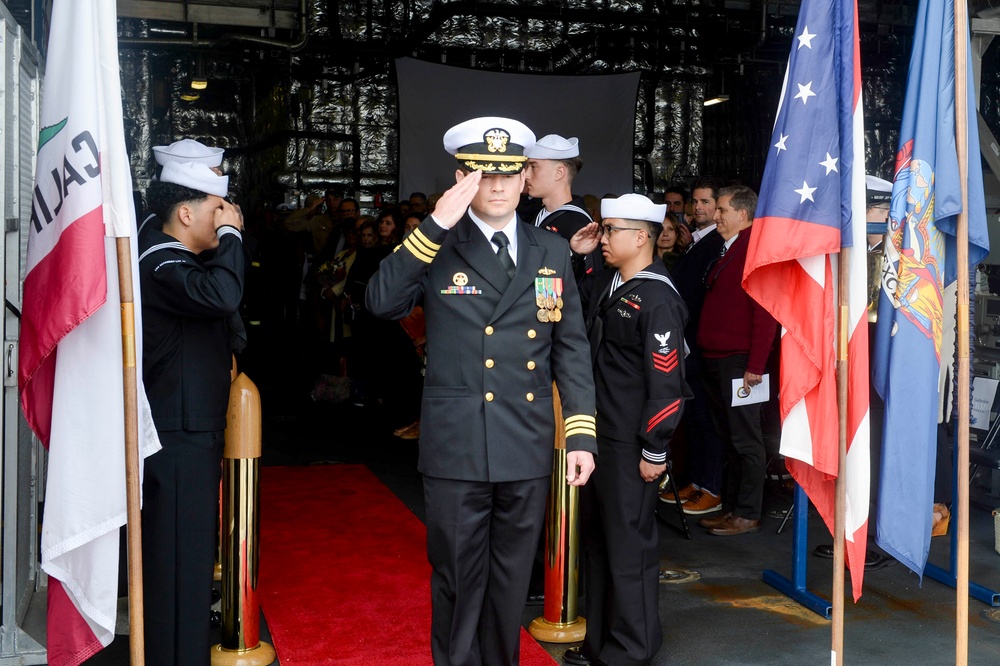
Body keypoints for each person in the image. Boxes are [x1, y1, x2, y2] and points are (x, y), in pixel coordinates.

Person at [366, 116, 597, 665]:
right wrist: (433, 224)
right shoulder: (438, 243)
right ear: (461, 177)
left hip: (526, 439)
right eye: (481, 173)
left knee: (513, 576)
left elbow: (571, 347)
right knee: (457, 575)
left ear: (524, 178)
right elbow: (381, 303)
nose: (495, 186)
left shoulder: (550, 249)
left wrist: (581, 433)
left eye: (508, 173)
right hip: (458, 443)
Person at [565, 194, 690, 666]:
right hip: (600, 435)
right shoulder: (613, 280)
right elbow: (575, 311)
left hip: (629, 441)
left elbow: (667, 384)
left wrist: (654, 450)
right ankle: (602, 643)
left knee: (629, 549)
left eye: (611, 229)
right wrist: (578, 259)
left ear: (641, 237)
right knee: (599, 544)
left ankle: (632, 649)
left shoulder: (657, 296)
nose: (603, 237)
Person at [139, 160, 245, 666]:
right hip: (177, 432)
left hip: (191, 426)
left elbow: (233, 323)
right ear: (185, 212)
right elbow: (224, 295)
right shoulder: (161, 259)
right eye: (217, 210)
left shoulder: (178, 257)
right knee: (179, 565)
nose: (226, 219)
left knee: (190, 562)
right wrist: (233, 239)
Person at [696, 185, 778, 536]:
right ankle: (732, 509)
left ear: (743, 215)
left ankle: (747, 513)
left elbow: (765, 314)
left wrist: (756, 366)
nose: (716, 215)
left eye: (723, 210)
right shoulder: (729, 248)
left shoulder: (753, 252)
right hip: (717, 359)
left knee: (746, 440)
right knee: (728, 436)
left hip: (739, 362)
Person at [523, 134, 600, 284]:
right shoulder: (538, 214)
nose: (526, 174)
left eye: (533, 167)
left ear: (559, 172)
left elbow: (588, 287)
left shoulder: (580, 224)